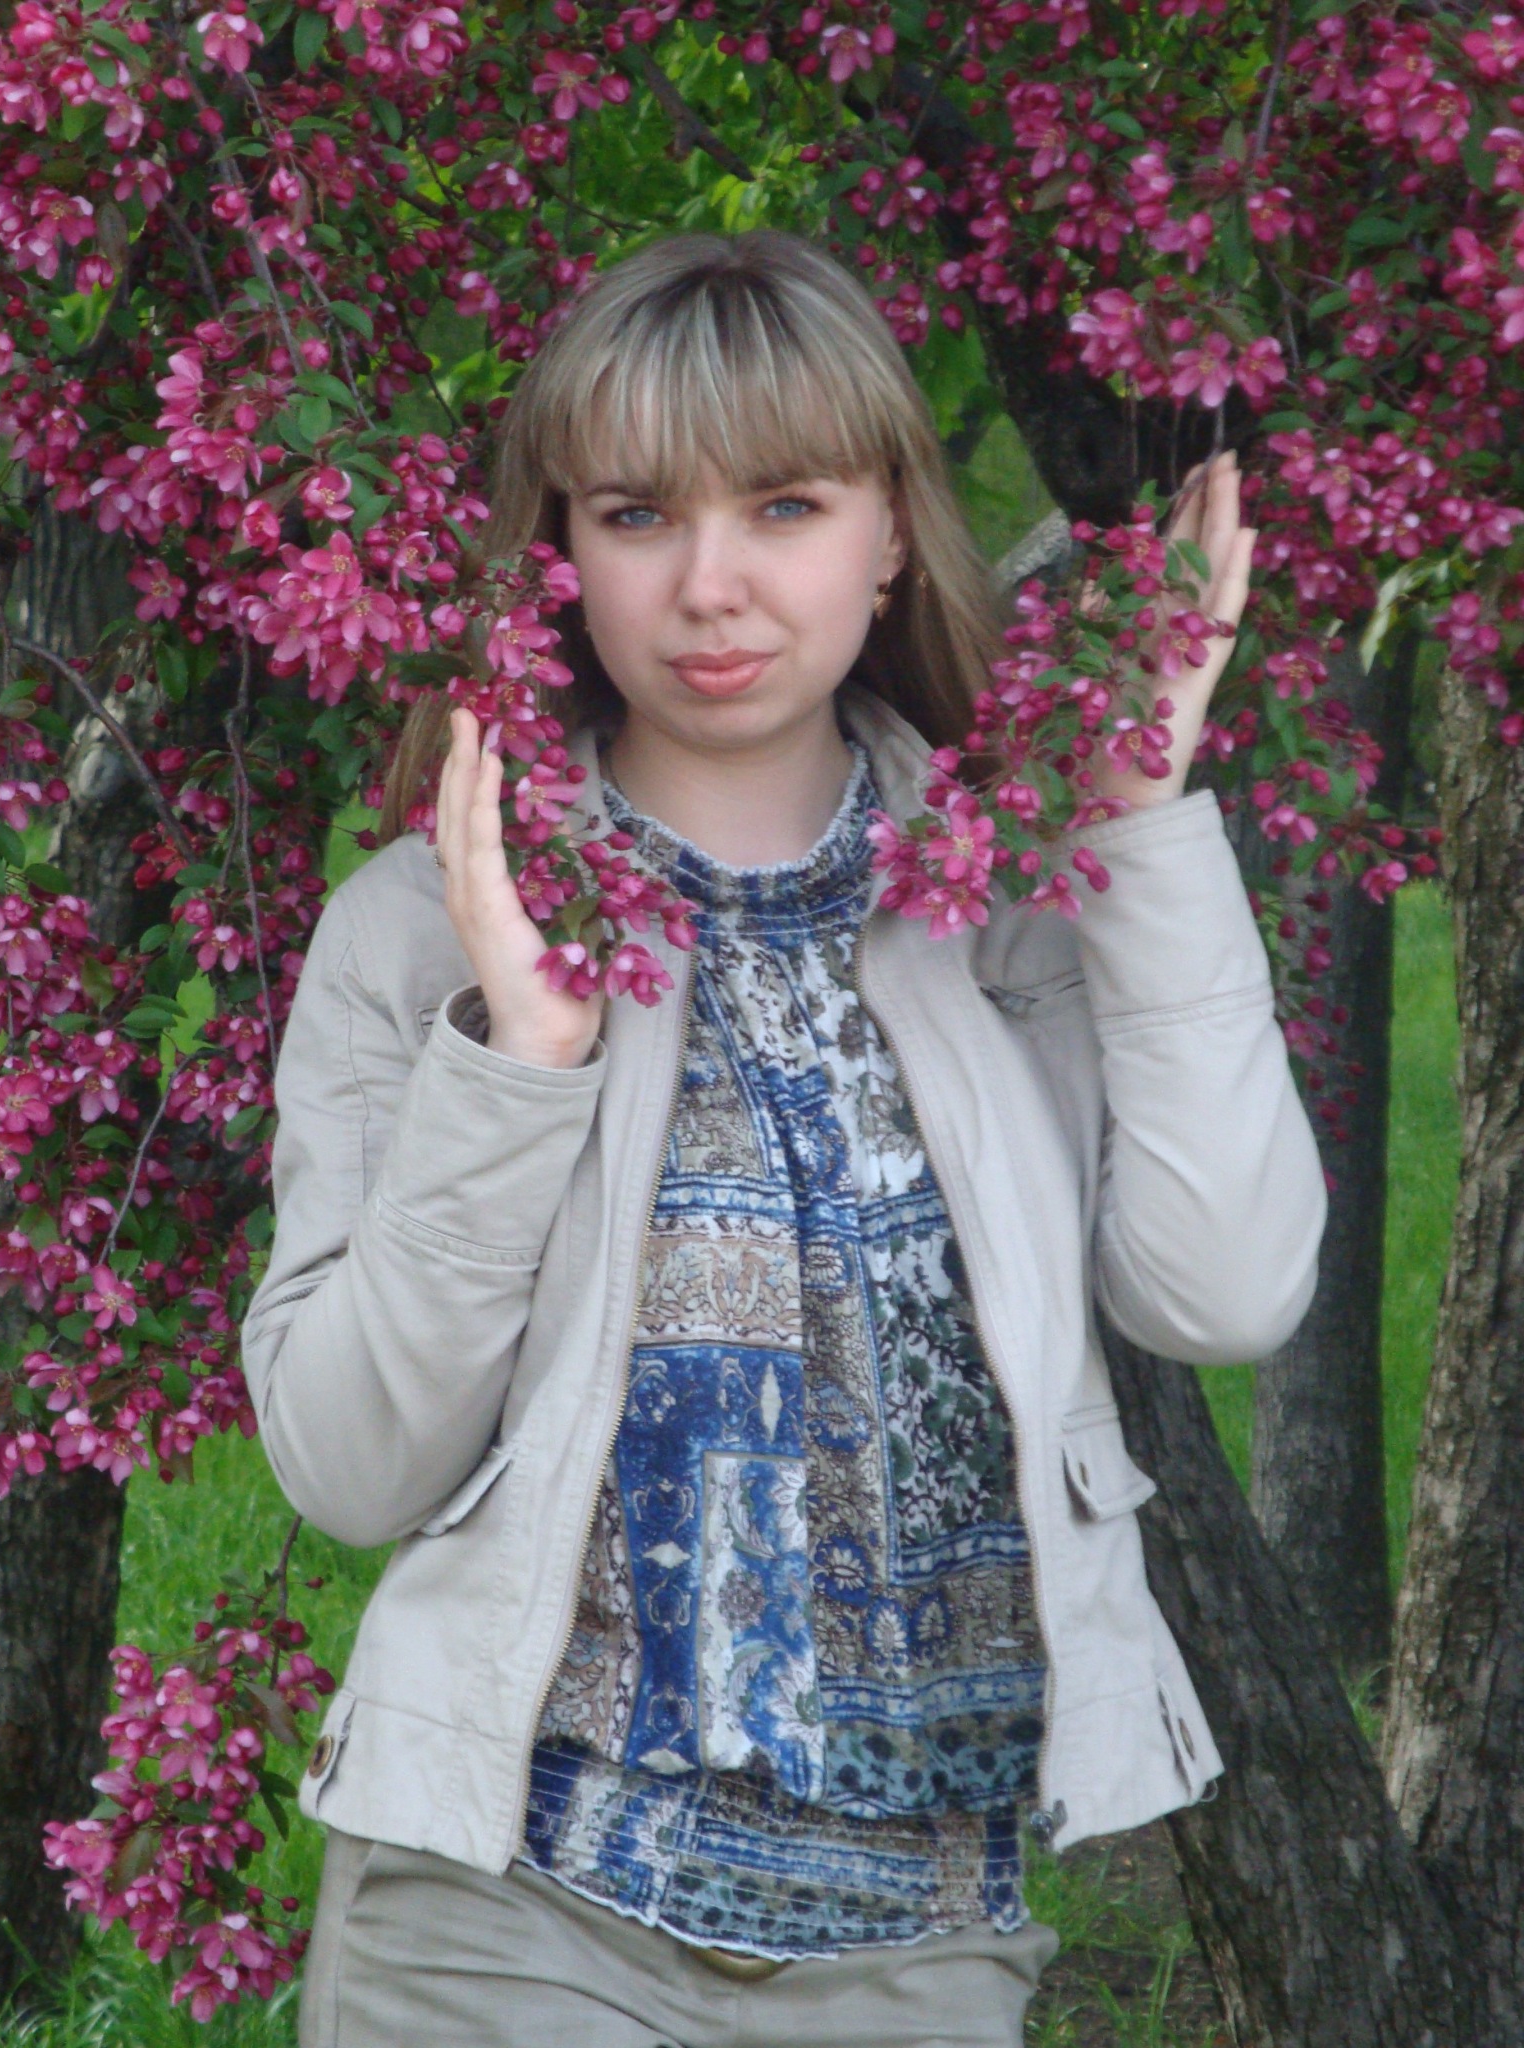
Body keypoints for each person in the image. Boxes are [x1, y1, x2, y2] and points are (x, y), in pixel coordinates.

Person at [242, 229, 1327, 2048]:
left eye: (786, 507)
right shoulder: (423, 934)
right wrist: (523, 1059)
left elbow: (1224, 1295)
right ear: (559, 550)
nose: (710, 588)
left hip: (919, 1948)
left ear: (890, 532)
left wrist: (1139, 827)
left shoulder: (1019, 900)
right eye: (637, 515)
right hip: (504, 1922)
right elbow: (350, 1467)